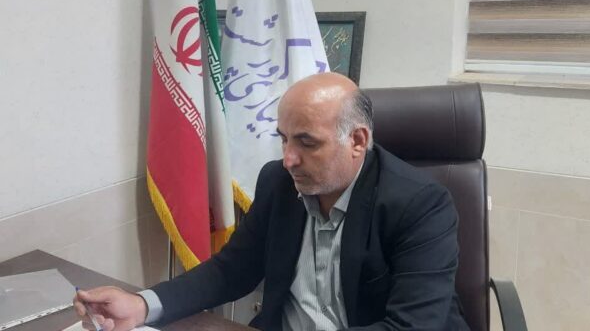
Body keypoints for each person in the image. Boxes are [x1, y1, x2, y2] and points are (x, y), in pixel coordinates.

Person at [74, 73, 470, 330]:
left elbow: (412, 326)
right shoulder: (278, 183)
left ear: (357, 141)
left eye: (306, 142)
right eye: (284, 139)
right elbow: (230, 271)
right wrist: (142, 305)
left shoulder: (420, 204)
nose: (288, 159)